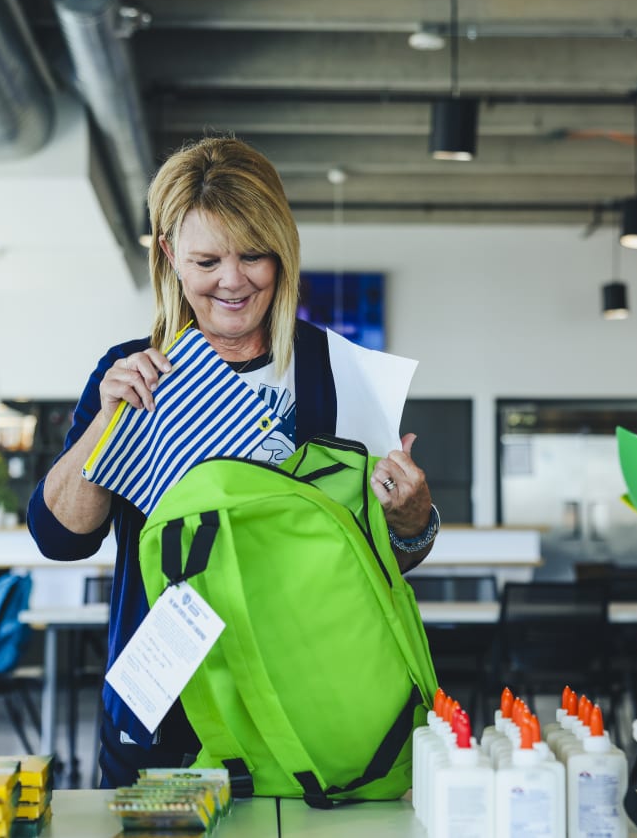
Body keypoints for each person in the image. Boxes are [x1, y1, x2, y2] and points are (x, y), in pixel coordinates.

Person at [28, 136, 439, 787]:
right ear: (168, 254)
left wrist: (413, 519)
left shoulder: (338, 375)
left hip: (304, 710)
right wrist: (106, 425)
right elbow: (60, 537)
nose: (232, 279)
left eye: (254, 255)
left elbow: (379, 564)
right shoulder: (133, 372)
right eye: (207, 258)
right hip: (164, 710)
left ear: (282, 252)